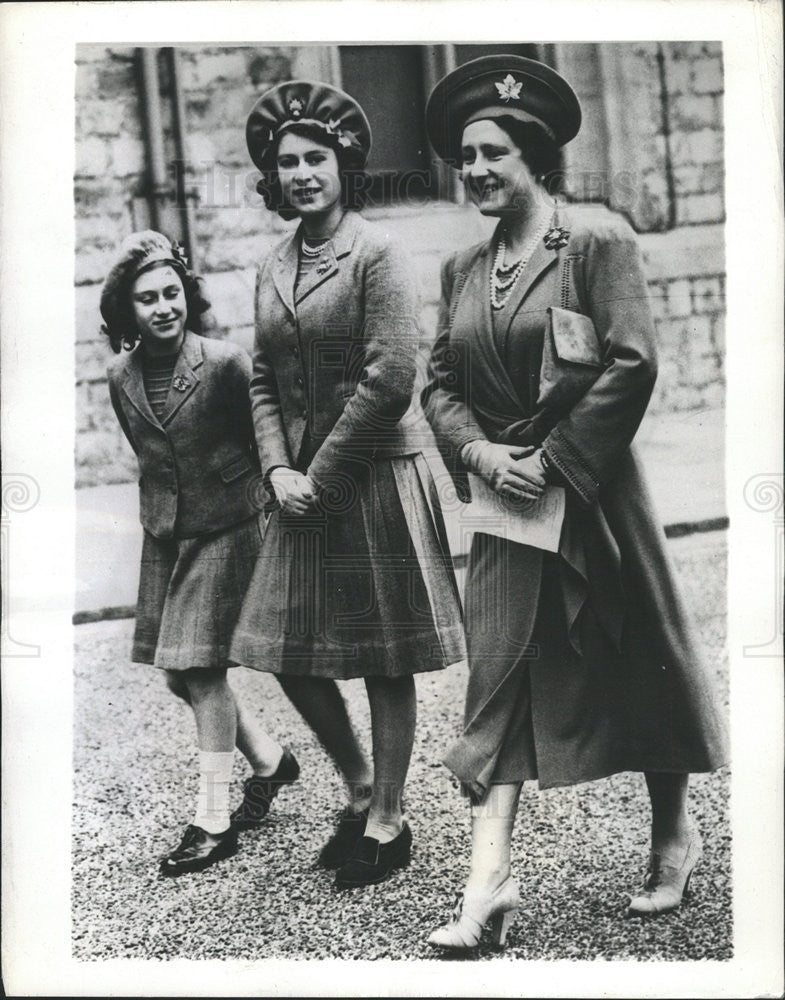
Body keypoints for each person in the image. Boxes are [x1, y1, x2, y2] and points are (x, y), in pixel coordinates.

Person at [421, 55, 728, 948]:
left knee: (634, 654)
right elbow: (436, 382)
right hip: (504, 506)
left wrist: (550, 461)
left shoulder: (594, 244)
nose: (473, 169)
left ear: (535, 158)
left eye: (491, 154)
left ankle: (673, 831)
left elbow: (632, 361)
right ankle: (486, 885)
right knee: (500, 673)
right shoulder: (461, 268)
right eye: (464, 156)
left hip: (591, 495)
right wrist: (480, 452)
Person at [230, 80, 465, 889]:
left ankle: (390, 818)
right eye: (285, 160)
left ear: (343, 164)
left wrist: (317, 475)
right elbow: (262, 376)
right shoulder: (273, 262)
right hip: (297, 481)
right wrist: (275, 468)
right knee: (281, 647)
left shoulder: (379, 252)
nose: (299, 172)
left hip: (368, 474)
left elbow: (389, 378)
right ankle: (359, 786)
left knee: (382, 655)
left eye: (314, 158)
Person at [102, 232, 298, 877]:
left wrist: (270, 509)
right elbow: (147, 452)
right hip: (166, 533)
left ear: (188, 294)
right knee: (176, 675)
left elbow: (264, 437)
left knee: (203, 671)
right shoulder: (118, 376)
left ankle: (213, 818)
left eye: (172, 292)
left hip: (228, 525)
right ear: (126, 311)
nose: (163, 307)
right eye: (147, 299)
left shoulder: (225, 363)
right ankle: (270, 761)